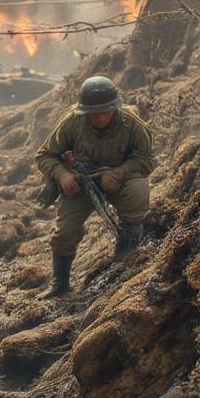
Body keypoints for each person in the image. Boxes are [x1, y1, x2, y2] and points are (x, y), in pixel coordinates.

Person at [35, 76, 153, 296]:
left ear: (115, 108)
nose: (99, 117)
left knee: (137, 191)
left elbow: (146, 160)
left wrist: (118, 172)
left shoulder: (131, 123)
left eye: (105, 111)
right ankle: (60, 283)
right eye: (93, 113)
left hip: (119, 181)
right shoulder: (73, 122)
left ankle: (126, 253)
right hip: (80, 183)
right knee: (64, 232)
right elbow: (45, 155)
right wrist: (62, 176)